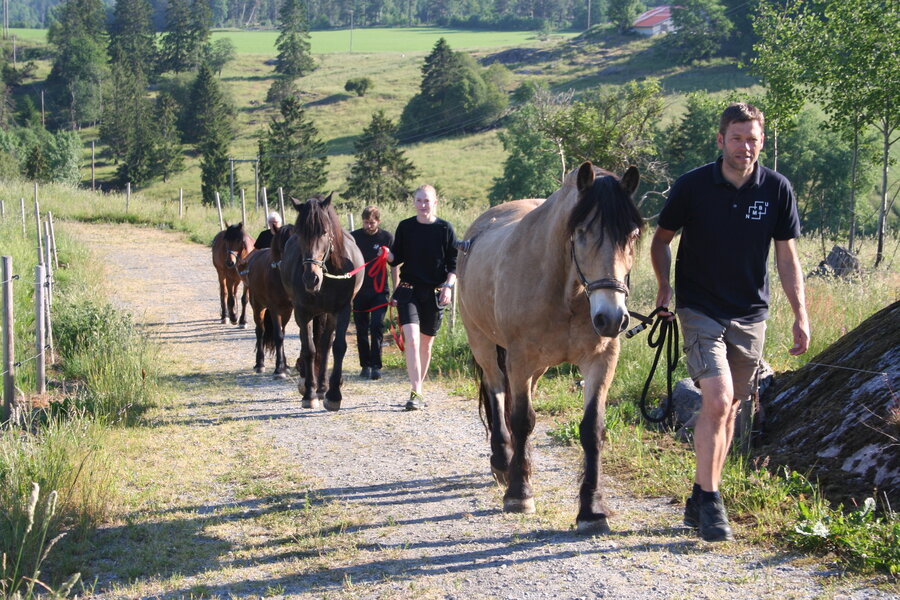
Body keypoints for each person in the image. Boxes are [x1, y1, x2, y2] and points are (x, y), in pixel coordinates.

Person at [650, 102, 810, 542]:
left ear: (762, 141)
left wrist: (801, 314)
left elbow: (786, 255)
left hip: (751, 313)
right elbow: (660, 241)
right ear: (720, 140)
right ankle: (714, 504)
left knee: (732, 408)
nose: (746, 147)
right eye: (737, 138)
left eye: (753, 139)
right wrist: (665, 288)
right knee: (717, 399)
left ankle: (700, 495)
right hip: (700, 308)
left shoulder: (776, 188)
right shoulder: (692, 186)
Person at [383, 185, 458, 411]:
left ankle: (419, 389)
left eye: (427, 201)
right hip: (409, 291)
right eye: (419, 200)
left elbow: (453, 264)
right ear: (414, 202)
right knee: (412, 340)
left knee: (426, 344)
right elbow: (397, 259)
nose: (423, 205)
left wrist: (448, 286)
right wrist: (387, 255)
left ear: (435, 202)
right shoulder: (406, 227)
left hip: (435, 293)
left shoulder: (445, 228)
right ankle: (416, 391)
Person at [350, 206, 399, 381]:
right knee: (361, 329)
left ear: (378, 221)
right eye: (365, 222)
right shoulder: (354, 237)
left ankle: (376, 365)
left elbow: (394, 266)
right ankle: (365, 365)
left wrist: (396, 291)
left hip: (379, 290)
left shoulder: (386, 238)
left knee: (376, 326)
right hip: (359, 291)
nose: (368, 226)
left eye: (371, 223)